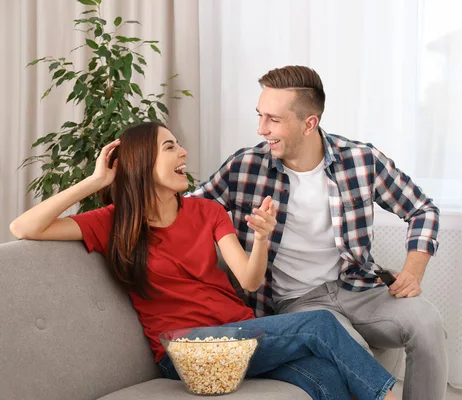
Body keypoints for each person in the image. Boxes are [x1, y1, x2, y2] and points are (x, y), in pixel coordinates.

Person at [9, 122, 398, 400]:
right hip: (184, 352)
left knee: (326, 375)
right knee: (320, 323)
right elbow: (24, 227)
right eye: (169, 147)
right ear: (143, 162)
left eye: (178, 144)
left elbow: (248, 280)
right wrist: (95, 182)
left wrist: (262, 238)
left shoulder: (207, 211)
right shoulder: (112, 222)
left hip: (240, 337)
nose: (183, 153)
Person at [190, 66, 448, 399]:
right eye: (260, 116)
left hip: (358, 288)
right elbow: (183, 210)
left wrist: (413, 271)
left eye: (274, 120)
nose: (261, 129)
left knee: (427, 323)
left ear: (309, 123)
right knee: (350, 349)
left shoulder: (360, 160)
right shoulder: (244, 167)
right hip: (297, 304)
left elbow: (422, 209)